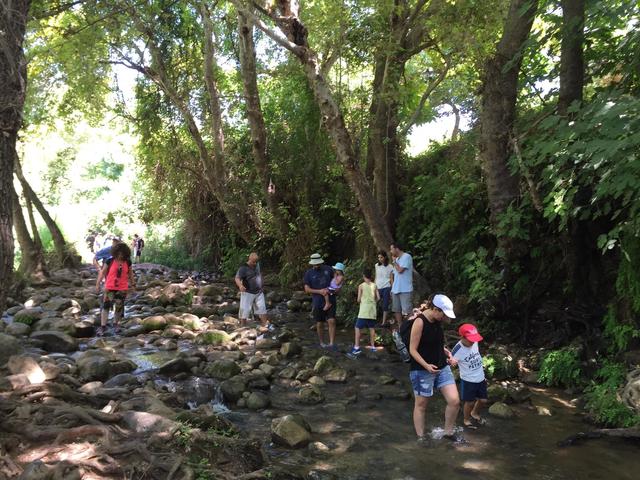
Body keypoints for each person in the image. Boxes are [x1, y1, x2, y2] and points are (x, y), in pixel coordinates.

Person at [407, 293, 464, 444]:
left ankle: (448, 433)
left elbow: (436, 342)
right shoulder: (419, 322)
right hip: (421, 369)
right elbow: (412, 350)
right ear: (435, 309)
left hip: (441, 366)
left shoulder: (437, 321)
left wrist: (446, 352)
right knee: (421, 405)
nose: (446, 319)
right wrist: (426, 365)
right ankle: (421, 438)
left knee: (454, 401)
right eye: (444, 315)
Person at [450, 323, 488, 429]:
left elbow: (477, 356)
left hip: (480, 377)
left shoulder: (475, 342)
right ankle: (466, 419)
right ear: (462, 337)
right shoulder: (457, 349)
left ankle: (474, 413)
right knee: (470, 402)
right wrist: (451, 362)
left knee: (483, 400)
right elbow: (450, 362)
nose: (473, 341)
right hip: (468, 380)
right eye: (470, 339)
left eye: (474, 339)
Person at [95, 242, 135, 336]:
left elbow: (130, 274)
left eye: (123, 253)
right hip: (109, 287)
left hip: (122, 288)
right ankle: (103, 326)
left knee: (118, 307)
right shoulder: (110, 260)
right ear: (116, 252)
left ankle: (116, 324)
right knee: (106, 307)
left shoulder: (128, 262)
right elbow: (102, 272)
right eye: (119, 253)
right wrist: (97, 284)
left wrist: (133, 284)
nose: (121, 255)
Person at [303, 253, 337, 349]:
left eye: (318, 264)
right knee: (319, 322)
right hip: (317, 301)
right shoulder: (308, 273)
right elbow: (307, 289)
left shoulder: (328, 269)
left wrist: (332, 289)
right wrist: (319, 291)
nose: (317, 266)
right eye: (315, 264)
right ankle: (322, 343)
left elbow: (336, 280)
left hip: (331, 298)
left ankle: (331, 343)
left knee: (332, 320)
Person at [235, 252, 274, 331]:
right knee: (244, 311)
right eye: (253, 262)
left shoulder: (257, 265)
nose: (255, 263)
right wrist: (240, 286)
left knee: (262, 309)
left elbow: (259, 275)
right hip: (247, 292)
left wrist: (262, 284)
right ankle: (242, 328)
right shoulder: (243, 268)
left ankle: (265, 326)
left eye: (256, 261)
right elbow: (237, 278)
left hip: (259, 292)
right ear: (249, 259)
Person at [349, 268, 380, 357]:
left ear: (363, 276)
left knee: (357, 327)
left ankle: (357, 347)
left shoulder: (361, 286)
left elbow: (358, 299)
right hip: (372, 310)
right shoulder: (374, 285)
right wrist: (373, 302)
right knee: (371, 328)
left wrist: (362, 300)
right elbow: (378, 298)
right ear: (371, 276)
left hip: (364, 310)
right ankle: (373, 346)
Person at [390, 242, 413, 328]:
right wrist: (392, 288)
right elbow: (393, 274)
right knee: (397, 310)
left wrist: (394, 261)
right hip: (396, 289)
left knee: (407, 311)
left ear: (397, 249)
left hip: (405, 289)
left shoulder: (407, 257)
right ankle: (401, 327)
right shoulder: (397, 259)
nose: (391, 251)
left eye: (391, 249)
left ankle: (410, 327)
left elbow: (400, 270)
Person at [375, 251, 394, 326]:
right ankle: (372, 321)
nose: (380, 259)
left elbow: (391, 278)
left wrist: (392, 289)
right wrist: (373, 287)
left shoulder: (390, 266)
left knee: (385, 305)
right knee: (374, 303)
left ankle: (383, 322)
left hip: (387, 287)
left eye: (381, 257)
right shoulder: (376, 265)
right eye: (379, 257)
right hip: (378, 287)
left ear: (385, 257)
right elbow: (376, 277)